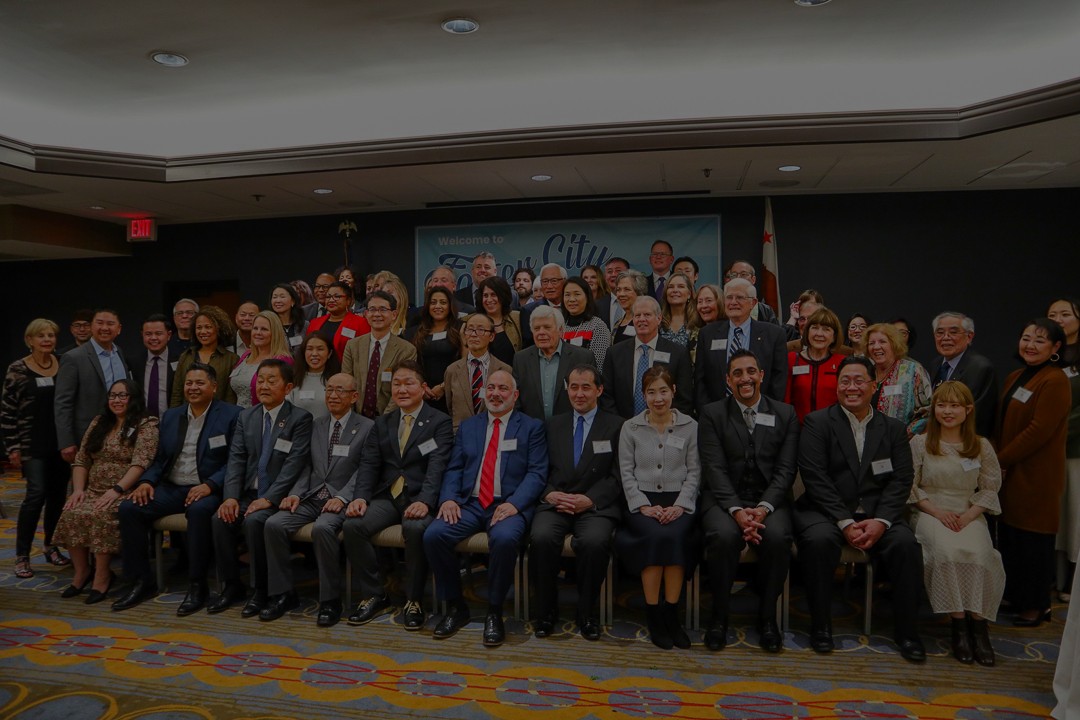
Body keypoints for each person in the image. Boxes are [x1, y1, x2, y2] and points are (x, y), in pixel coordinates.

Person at [795, 355, 926, 662]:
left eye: (858, 381)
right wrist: (844, 521)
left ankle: (907, 632)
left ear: (873, 385)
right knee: (818, 541)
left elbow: (901, 479)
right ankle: (821, 626)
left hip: (878, 512)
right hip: (825, 511)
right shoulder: (817, 423)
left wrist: (881, 521)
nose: (851, 387)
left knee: (906, 545)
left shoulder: (893, 428)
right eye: (845, 381)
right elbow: (815, 477)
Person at [423, 369, 548, 646]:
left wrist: (515, 504)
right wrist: (448, 498)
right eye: (490, 388)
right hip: (469, 504)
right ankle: (456, 607)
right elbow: (454, 467)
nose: (495, 394)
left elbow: (537, 473)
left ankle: (494, 611)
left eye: (503, 389)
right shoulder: (469, 426)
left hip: (507, 505)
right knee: (434, 535)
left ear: (515, 395)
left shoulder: (531, 427)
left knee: (504, 539)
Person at [113, 364, 242, 615]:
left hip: (209, 488)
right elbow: (160, 458)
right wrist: (146, 482)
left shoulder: (232, 415)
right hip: (172, 487)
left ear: (214, 387)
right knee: (129, 508)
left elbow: (235, 461)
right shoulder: (172, 416)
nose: (193, 388)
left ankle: (198, 585)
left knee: (198, 511)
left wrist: (210, 485)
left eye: (199, 383)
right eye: (188, 383)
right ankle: (141, 581)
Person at [698, 350, 798, 653]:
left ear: (761, 375)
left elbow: (785, 470)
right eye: (738, 373)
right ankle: (719, 617)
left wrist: (763, 509)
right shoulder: (712, 414)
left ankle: (767, 618)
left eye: (751, 371)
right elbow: (714, 468)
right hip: (724, 500)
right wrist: (737, 511)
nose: (745, 378)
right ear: (728, 380)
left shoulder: (785, 414)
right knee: (723, 536)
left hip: (770, 501)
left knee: (778, 538)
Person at [344, 361, 454, 631]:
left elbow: (438, 466)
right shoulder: (383, 422)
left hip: (419, 496)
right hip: (388, 496)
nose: (402, 389)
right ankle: (375, 594)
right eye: (397, 384)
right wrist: (360, 497)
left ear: (423, 387)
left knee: (415, 528)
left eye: (408, 383)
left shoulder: (439, 422)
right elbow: (369, 464)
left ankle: (413, 600)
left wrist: (425, 501)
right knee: (353, 525)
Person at [263, 372, 374, 625]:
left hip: (341, 498)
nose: (333, 395)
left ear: (354, 396)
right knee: (274, 524)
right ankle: (283, 594)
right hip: (312, 496)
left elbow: (366, 470)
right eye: (329, 390)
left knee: (323, 528)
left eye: (340, 391)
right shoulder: (316, 424)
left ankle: (330, 600)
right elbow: (305, 466)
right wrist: (294, 493)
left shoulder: (368, 427)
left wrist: (343, 498)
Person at [208, 359, 313, 617]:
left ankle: (263, 590)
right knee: (220, 519)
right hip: (248, 493)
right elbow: (236, 460)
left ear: (288, 387)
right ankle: (232, 585)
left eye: (271, 380)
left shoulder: (300, 418)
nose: (264, 386)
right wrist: (230, 497)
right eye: (261, 380)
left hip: (278, 496)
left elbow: (294, 464)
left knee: (255, 521)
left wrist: (269, 498)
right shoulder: (247, 416)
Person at [909, 381, 1003, 666]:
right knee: (946, 554)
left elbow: (990, 488)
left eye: (954, 406)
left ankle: (979, 627)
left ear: (968, 410)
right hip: (929, 511)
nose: (947, 412)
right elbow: (910, 487)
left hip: (968, 511)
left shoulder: (981, 446)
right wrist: (938, 513)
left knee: (981, 556)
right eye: (941, 405)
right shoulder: (920, 443)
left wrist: (969, 515)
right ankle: (959, 625)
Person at [530, 365, 624, 641]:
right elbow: (537, 468)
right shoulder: (552, 425)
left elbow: (619, 475)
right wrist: (548, 493)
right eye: (574, 387)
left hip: (596, 505)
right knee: (541, 537)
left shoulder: (617, 425)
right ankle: (546, 612)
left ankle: (586, 613)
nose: (579, 394)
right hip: (556, 501)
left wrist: (590, 499)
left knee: (595, 542)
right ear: (567, 389)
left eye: (586, 387)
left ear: (599, 390)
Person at [53, 379, 159, 604]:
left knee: (100, 515)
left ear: (134, 398)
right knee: (71, 511)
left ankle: (102, 576)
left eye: (123, 395)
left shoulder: (146, 424)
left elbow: (141, 463)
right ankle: (82, 572)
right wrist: (78, 490)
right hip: (92, 490)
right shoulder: (99, 422)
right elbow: (82, 460)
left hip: (126, 491)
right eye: (113, 395)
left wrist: (117, 489)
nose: (116, 400)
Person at [616, 365, 699, 649]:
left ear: (673, 391)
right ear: (644, 395)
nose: (658, 398)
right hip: (642, 502)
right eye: (651, 392)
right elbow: (626, 473)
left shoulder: (690, 426)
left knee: (674, 535)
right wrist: (642, 505)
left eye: (663, 391)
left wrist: (681, 505)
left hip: (679, 501)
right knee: (654, 535)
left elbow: (695, 472)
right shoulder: (630, 427)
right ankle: (653, 613)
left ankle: (671, 613)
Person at [996, 318, 1070, 627]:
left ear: (1056, 347)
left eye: (1040, 340)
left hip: (1037, 474)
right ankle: (1017, 595)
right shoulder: (1016, 376)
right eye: (1026, 338)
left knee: (1034, 541)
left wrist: (1001, 459)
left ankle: (1037, 605)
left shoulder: (1055, 380)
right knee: (1012, 537)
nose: (1030, 345)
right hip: (1012, 472)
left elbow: (1039, 430)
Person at [3, 318, 69, 578]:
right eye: (41, 336)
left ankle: (50, 546)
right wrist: (12, 447)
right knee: (35, 495)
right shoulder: (17, 369)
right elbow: (7, 411)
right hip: (31, 444)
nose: (47, 340)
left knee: (57, 496)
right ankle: (22, 555)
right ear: (29, 340)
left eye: (51, 335)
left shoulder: (63, 363)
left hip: (60, 442)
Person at [695, 279, 788, 412]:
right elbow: (700, 380)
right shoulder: (707, 334)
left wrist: (766, 413)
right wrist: (708, 413)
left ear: (753, 303)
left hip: (761, 413)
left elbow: (778, 381)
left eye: (739, 297)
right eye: (729, 297)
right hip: (717, 414)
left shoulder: (774, 334)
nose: (733, 302)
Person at [54, 308, 129, 463]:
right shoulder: (73, 357)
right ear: (92, 327)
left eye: (110, 324)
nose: (104, 328)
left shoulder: (119, 353)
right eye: (99, 323)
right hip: (87, 436)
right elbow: (63, 402)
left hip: (119, 433)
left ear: (119, 329)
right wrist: (66, 441)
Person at [600, 296, 693, 418]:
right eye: (637, 315)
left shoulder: (678, 353)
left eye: (647, 315)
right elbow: (606, 395)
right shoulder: (614, 353)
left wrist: (667, 423)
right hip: (622, 425)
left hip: (665, 424)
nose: (641, 319)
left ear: (659, 318)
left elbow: (684, 399)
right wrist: (620, 425)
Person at [341, 290, 418, 418]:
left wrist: (384, 421)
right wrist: (353, 419)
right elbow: (346, 384)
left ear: (394, 314)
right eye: (372, 309)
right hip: (356, 418)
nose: (377, 314)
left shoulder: (406, 350)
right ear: (366, 314)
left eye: (383, 309)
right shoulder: (353, 346)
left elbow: (402, 390)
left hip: (390, 418)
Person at [513, 305, 596, 421]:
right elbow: (515, 399)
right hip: (532, 428)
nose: (541, 332)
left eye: (547, 327)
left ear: (560, 330)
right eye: (537, 328)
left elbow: (591, 397)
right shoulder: (521, 359)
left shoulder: (582, 357)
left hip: (570, 427)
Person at [1050, 297, 1080, 601]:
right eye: (1052, 315)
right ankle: (1054, 578)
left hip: (1074, 452)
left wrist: (1054, 434)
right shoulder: (1048, 354)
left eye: (1065, 314)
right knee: (1055, 518)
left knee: (1074, 517)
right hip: (1047, 454)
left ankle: (1073, 581)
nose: (1058, 319)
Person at [927, 311, 998, 438]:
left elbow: (978, 416)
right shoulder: (935, 364)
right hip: (934, 438)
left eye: (953, 332)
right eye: (940, 332)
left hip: (964, 440)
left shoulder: (980, 368)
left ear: (969, 336)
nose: (945, 337)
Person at [443, 313, 513, 432]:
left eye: (480, 330)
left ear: (491, 336)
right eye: (470, 329)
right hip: (461, 434)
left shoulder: (504, 370)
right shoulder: (452, 370)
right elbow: (450, 406)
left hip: (494, 433)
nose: (474, 334)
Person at [865, 323, 932, 436]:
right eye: (871, 343)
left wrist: (903, 437)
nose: (876, 347)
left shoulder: (912, 371)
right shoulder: (866, 373)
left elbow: (927, 412)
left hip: (902, 442)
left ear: (894, 344)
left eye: (882, 342)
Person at [404, 285, 462, 414]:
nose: (438, 306)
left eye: (443, 302)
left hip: (452, 392)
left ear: (450, 306)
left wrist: (443, 387)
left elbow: (464, 362)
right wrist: (422, 387)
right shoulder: (416, 331)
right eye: (433, 302)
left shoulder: (460, 329)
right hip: (423, 394)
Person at [785, 307, 846, 423]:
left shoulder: (842, 363)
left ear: (834, 336)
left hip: (832, 429)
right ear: (807, 332)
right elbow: (785, 400)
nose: (819, 334)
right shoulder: (792, 359)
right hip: (798, 429)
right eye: (814, 328)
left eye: (826, 329)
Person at [171, 306, 239, 407]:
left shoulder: (231, 359)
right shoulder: (186, 356)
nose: (203, 332)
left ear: (218, 329)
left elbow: (230, 397)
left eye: (208, 327)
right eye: (199, 328)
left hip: (219, 413)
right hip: (187, 414)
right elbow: (177, 393)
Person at [229, 311, 292, 409]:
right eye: (255, 328)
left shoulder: (282, 360)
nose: (258, 333)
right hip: (238, 415)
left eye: (264, 329)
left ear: (275, 333)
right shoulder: (246, 355)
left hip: (262, 415)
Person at [305, 281, 372, 360]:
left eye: (337, 296)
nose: (331, 300)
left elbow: (365, 353)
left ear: (348, 300)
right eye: (328, 297)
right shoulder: (314, 323)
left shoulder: (361, 323)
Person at [128, 314, 177, 418]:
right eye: (148, 334)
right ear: (142, 335)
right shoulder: (134, 362)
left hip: (172, 420)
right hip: (142, 422)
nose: (153, 338)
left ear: (169, 335)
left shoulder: (180, 361)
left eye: (158, 333)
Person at [287, 333, 341, 419]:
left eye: (320, 349)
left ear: (329, 353)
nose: (314, 354)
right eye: (309, 349)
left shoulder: (338, 380)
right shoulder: (292, 378)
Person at [562, 276, 612, 367]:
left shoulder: (598, 327)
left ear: (587, 297)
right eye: (567, 295)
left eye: (577, 294)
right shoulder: (558, 326)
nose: (571, 299)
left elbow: (599, 365)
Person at [477, 276, 522, 366]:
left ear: (503, 296)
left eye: (493, 295)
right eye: (485, 295)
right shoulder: (472, 322)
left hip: (512, 373)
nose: (489, 300)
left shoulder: (517, 318)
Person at [521, 263, 567, 347]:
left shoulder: (572, 307)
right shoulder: (529, 311)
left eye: (554, 281)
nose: (549, 286)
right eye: (545, 281)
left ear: (564, 282)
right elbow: (528, 345)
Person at [724, 261, 781, 325]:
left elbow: (774, 330)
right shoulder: (723, 307)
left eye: (743, 274)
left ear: (753, 279)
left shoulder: (765, 311)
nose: (738, 277)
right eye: (734, 275)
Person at [659, 271, 698, 350]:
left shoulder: (698, 321)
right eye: (671, 287)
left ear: (689, 294)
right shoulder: (658, 321)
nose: (675, 290)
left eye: (681, 286)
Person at [610, 269, 646, 343]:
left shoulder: (646, 321)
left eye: (627, 289)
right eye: (618, 290)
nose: (621, 294)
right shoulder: (618, 323)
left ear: (639, 292)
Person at [269, 283, 307, 349]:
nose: (278, 301)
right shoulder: (268, 325)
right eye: (275, 297)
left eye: (282, 297)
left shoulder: (305, 325)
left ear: (293, 301)